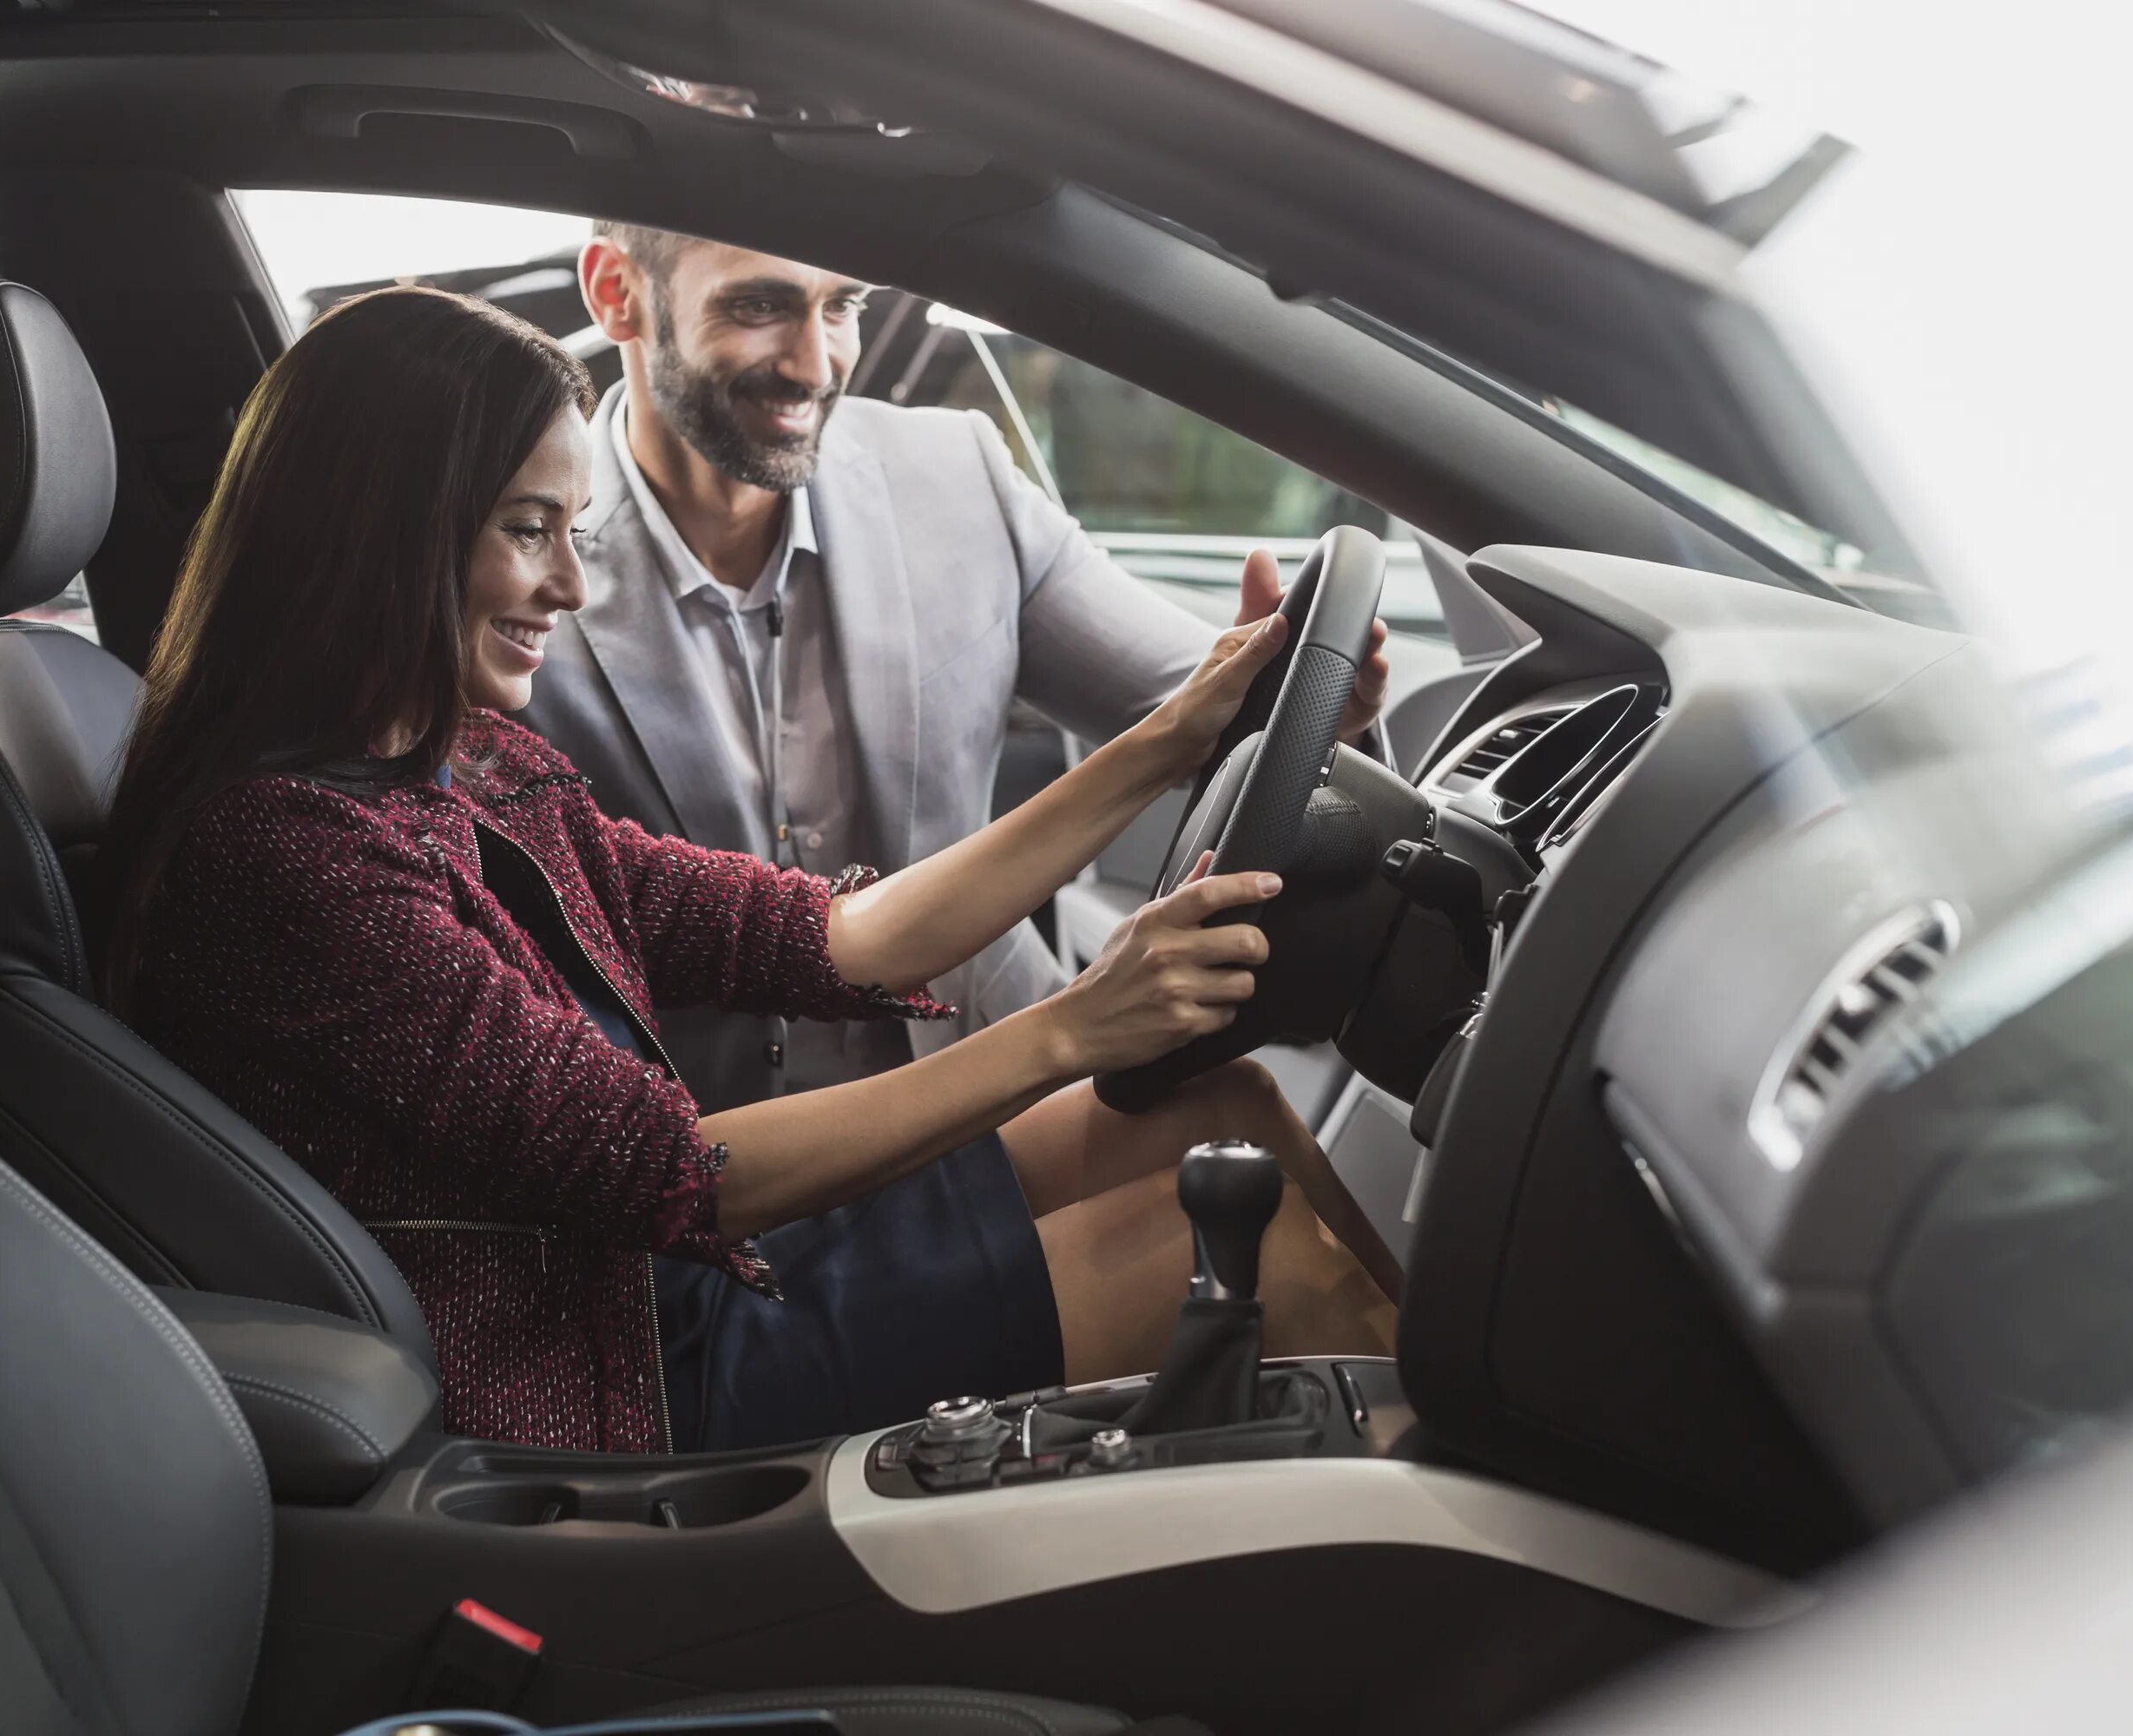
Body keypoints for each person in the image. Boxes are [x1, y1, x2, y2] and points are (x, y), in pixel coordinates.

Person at [102, 286, 1398, 1454]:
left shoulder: (473, 765)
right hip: (628, 1376)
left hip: (693, 1282)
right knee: (1255, 1248)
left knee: (1223, 1107)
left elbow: (835, 938)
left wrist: (1172, 737)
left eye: (572, 529)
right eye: (528, 531)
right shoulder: (287, 854)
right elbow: (675, 1172)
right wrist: (1070, 1029)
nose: (566, 582)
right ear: (385, 534)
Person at [523, 224, 1406, 1447]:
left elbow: (1188, 699)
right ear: (619, 295)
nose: (818, 360)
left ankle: (1471, 1431)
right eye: (762, 308)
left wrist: (1296, 699)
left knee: (1239, 1108)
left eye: (841, 307)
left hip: (1000, 1083)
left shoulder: (955, 475)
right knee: (1272, 1270)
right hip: (752, 1187)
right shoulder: (529, 563)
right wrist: (1080, 1020)